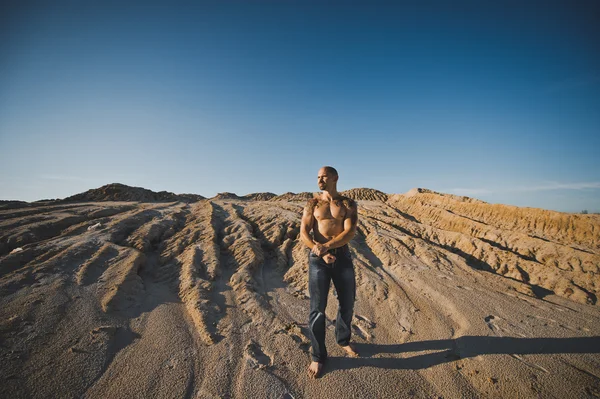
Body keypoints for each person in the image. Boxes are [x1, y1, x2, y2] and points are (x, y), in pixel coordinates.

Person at [300, 166, 359, 378]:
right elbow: (304, 232)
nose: (320, 179)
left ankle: (343, 340)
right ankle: (318, 356)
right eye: (317, 176)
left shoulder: (347, 203)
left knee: (347, 302)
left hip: (342, 256)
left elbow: (349, 231)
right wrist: (321, 251)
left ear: (335, 177)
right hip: (318, 259)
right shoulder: (313, 203)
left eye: (324, 176)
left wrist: (330, 246)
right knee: (317, 308)